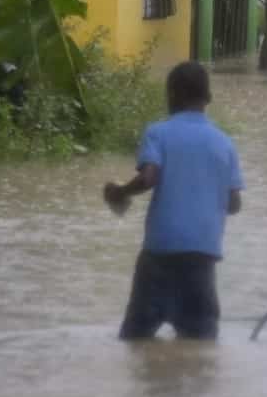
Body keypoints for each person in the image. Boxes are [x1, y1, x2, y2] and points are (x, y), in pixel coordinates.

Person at [104, 61, 244, 341]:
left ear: (172, 96)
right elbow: (234, 204)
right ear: (208, 98)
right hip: (202, 257)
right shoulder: (225, 143)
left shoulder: (159, 132)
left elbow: (148, 178)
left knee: (135, 339)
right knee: (199, 345)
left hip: (160, 254)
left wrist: (120, 192)